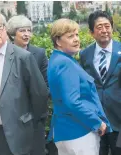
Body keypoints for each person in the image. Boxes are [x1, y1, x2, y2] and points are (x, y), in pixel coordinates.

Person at [0, 11, 48, 155]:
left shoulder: (23, 57)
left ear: (5, 29)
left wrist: (30, 126)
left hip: (15, 134)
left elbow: (39, 95)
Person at [48, 18, 112, 155]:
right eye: (70, 36)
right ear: (58, 41)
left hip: (66, 131)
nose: (76, 39)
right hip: (78, 132)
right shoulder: (65, 63)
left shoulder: (58, 59)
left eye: (77, 34)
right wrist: (97, 122)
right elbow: (72, 101)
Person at [80, 10, 121, 155]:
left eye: (107, 26)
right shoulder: (85, 54)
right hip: (96, 119)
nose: (104, 30)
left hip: (119, 119)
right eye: (99, 27)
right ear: (91, 32)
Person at [7, 15, 48, 155]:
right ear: (12, 34)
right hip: (12, 114)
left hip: (35, 115)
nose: (26, 34)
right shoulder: (6, 54)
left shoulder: (39, 53)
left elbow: (45, 84)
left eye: (28, 30)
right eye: (22, 31)